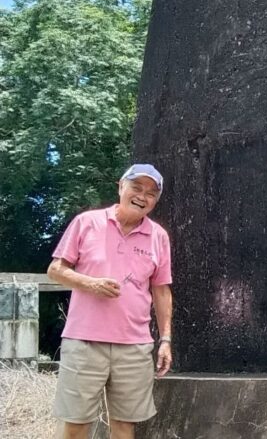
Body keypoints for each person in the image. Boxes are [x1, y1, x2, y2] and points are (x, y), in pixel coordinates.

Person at [47, 164, 173, 439]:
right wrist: (90, 283)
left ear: (155, 201)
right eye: (136, 187)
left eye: (151, 193)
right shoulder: (87, 222)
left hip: (135, 346)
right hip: (84, 342)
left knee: (124, 426)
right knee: (76, 426)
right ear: (120, 187)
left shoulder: (159, 237)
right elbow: (55, 270)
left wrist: (165, 340)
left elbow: (162, 291)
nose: (143, 196)